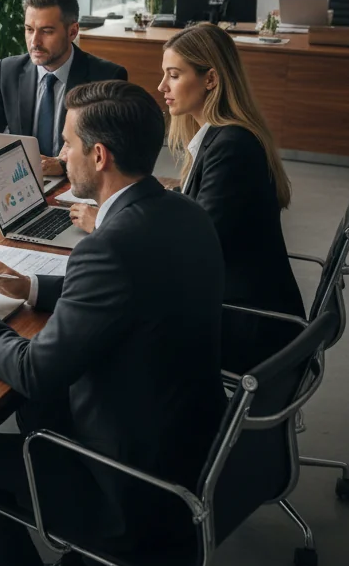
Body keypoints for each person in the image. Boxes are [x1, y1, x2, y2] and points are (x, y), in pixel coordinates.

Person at [0, 81, 226, 566]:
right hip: (191, 449)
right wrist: (27, 287)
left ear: (100, 156)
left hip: (132, 487)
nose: (60, 153)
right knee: (38, 409)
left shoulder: (108, 246)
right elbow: (128, 290)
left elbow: (34, 369)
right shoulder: (182, 213)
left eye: (67, 144)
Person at [68, 23, 305, 360]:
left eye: (174, 75)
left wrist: (105, 224)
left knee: (109, 326)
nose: (161, 86)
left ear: (210, 79)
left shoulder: (232, 146)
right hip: (236, 302)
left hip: (246, 322)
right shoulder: (220, 138)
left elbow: (195, 246)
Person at [0, 0, 127, 177]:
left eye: (47, 31)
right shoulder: (9, 71)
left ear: (72, 32)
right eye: (29, 29)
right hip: (21, 181)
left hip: (78, 185)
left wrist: (62, 165)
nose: (34, 41)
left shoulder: (105, 77)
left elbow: (113, 149)